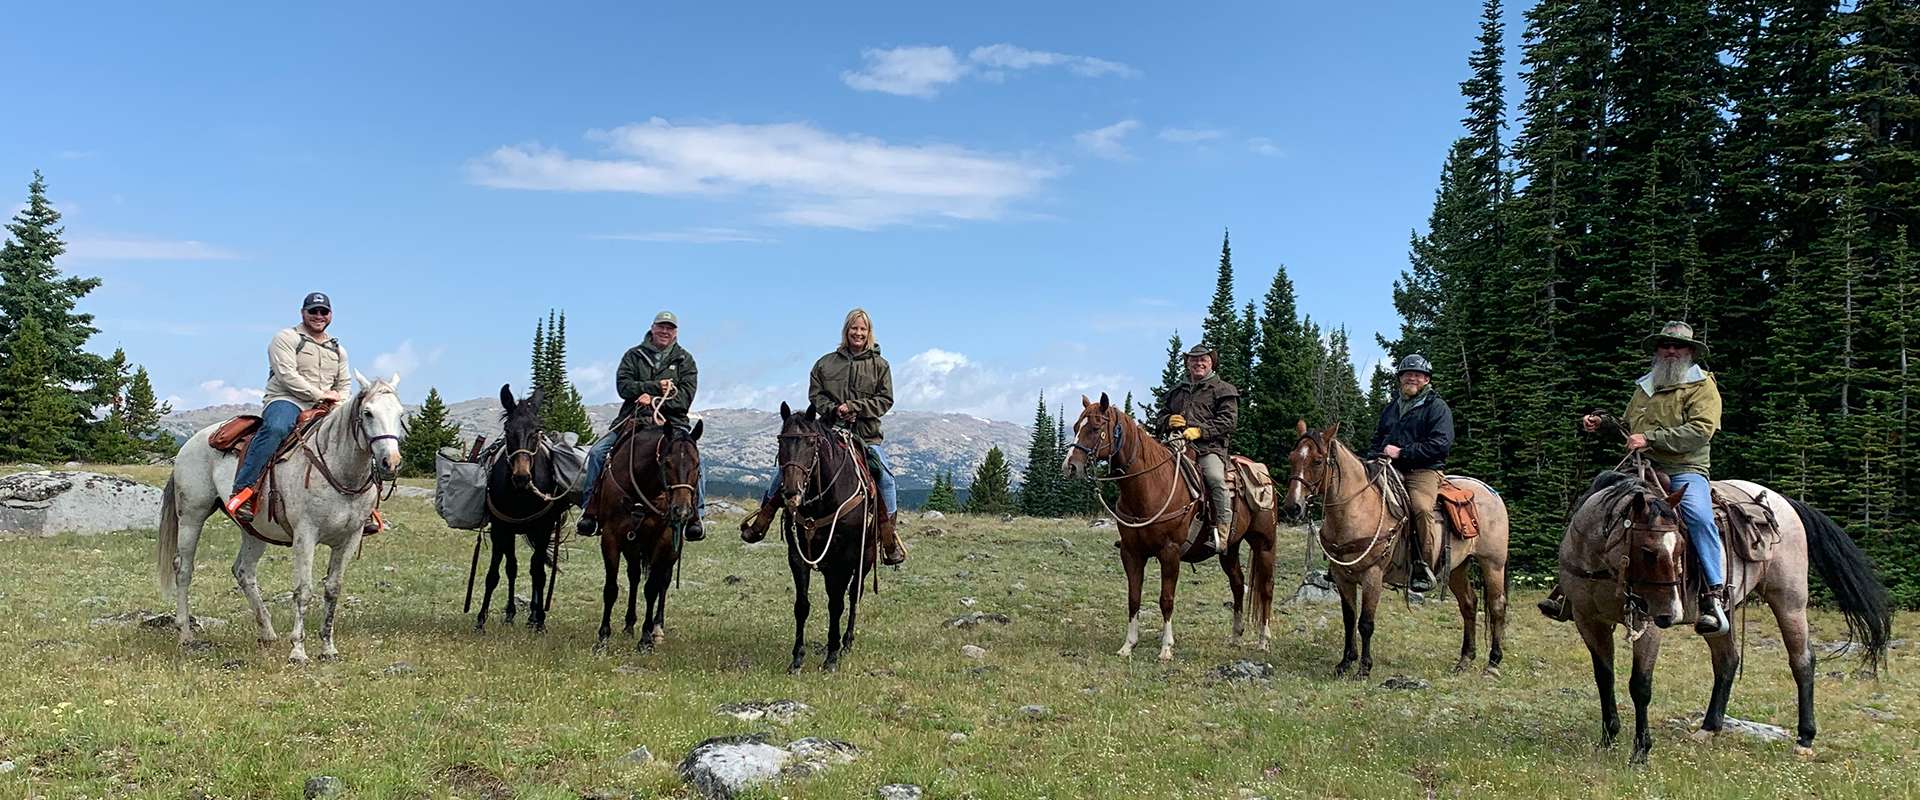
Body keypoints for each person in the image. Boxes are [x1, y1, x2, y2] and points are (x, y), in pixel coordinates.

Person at [1538, 320, 1730, 636]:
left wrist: (1650, 438)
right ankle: (1568, 589)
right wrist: (1601, 421)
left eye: (1677, 346)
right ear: (1657, 350)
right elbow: (1629, 427)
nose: (1670, 350)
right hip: (1641, 467)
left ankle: (1713, 595)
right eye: (1665, 345)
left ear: (1689, 352)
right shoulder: (1646, 386)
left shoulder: (1703, 386)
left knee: (1697, 516)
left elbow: (1700, 431)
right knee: (1596, 500)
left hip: (1685, 469)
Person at [224, 292, 355, 528]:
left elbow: (344, 384)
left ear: (330, 315)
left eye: (323, 312)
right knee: (276, 428)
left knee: (358, 435)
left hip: (326, 406)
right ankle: (244, 490)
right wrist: (319, 395)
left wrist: (339, 402)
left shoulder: (338, 350)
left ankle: (362, 507)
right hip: (287, 399)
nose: (318, 316)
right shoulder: (286, 338)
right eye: (313, 311)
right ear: (302, 312)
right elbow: (286, 376)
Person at [576, 311, 704, 539]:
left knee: (694, 460)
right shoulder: (633, 356)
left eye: (670, 328)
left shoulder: (685, 360)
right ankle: (590, 510)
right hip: (633, 419)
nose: (665, 331)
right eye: (661, 327)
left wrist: (653, 399)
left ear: (675, 332)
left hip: (672, 423)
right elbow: (623, 387)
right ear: (652, 328)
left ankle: (696, 516)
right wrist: (656, 387)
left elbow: (685, 398)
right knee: (597, 453)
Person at [807, 308, 906, 565]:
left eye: (862, 329)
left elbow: (885, 400)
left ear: (869, 332)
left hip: (866, 436)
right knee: (790, 468)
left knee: (885, 479)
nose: (858, 333)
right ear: (846, 331)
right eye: (854, 328)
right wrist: (833, 410)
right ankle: (765, 515)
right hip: (829, 432)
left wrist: (855, 407)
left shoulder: (880, 366)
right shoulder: (825, 363)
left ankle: (888, 537)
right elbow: (815, 394)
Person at [1364, 354, 1454, 593]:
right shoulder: (1392, 407)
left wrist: (1403, 452)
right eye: (1407, 374)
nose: (1412, 378)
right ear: (1400, 379)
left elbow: (1441, 444)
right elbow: (1378, 438)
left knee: (1421, 508)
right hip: (1388, 466)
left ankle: (1422, 566)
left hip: (1423, 469)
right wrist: (1373, 457)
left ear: (1426, 380)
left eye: (1418, 375)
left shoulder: (1437, 407)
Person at [1150, 343, 1239, 553]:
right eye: (1194, 360)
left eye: (1203, 360)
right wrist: (1168, 420)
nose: (1198, 363)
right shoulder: (1176, 391)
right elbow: (1159, 418)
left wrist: (1200, 431)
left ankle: (1222, 533)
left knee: (1216, 479)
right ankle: (1143, 532)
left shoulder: (1223, 390)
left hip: (1209, 448)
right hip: (1175, 444)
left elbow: (1228, 422)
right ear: (1188, 364)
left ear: (1211, 363)